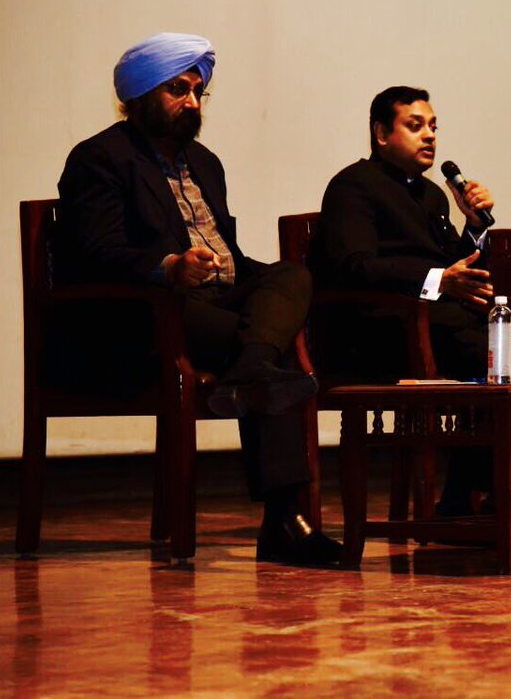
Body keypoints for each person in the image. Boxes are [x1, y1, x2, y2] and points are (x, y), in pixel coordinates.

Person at [57, 32, 340, 566]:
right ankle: (284, 521)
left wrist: (271, 285)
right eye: (177, 90)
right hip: (148, 314)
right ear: (139, 95)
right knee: (272, 352)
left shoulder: (205, 162)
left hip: (217, 303)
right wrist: (169, 267)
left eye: (197, 91)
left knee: (291, 276)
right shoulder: (100, 159)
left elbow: (230, 255)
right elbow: (95, 253)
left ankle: (251, 369)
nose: (191, 102)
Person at [315, 86, 511, 516]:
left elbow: (458, 267)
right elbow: (355, 267)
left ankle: (500, 498)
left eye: (434, 127)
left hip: (436, 324)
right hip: (377, 330)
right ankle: (478, 500)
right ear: (381, 134)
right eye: (415, 125)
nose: (429, 136)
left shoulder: (433, 195)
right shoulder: (353, 186)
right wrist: (440, 280)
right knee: (492, 356)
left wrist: (474, 228)